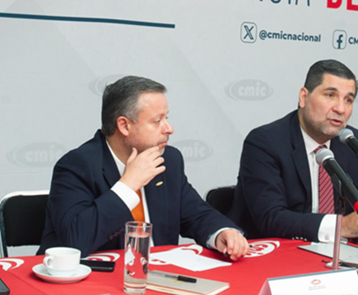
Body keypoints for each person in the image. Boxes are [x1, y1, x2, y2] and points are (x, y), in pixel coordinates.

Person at [39, 76, 248, 258]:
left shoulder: (168, 160)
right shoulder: (77, 166)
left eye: (167, 118)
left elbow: (196, 214)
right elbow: (75, 241)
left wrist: (222, 232)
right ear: (124, 125)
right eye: (157, 121)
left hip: (160, 277)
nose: (169, 129)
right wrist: (128, 185)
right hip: (96, 280)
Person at [228, 60, 358, 242]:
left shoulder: (351, 140)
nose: (340, 109)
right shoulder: (265, 142)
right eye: (330, 95)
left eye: (348, 100)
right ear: (303, 97)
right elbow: (271, 218)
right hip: (278, 251)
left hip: (340, 251)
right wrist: (339, 226)